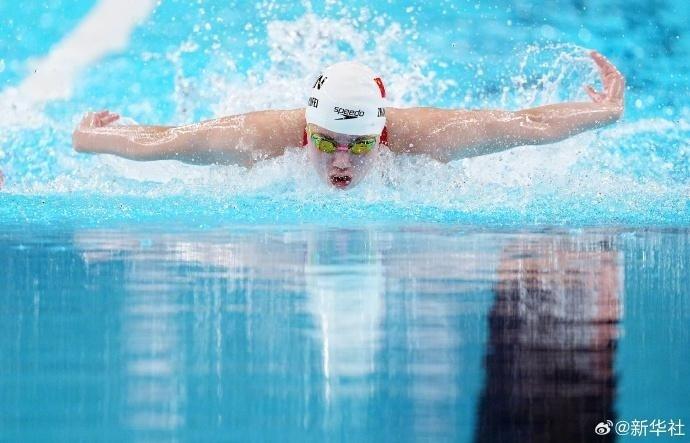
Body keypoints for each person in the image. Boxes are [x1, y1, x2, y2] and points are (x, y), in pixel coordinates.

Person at [73, 51, 624, 190]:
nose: (340, 162)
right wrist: (92, 139)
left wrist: (600, 111)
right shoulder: (260, 137)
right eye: (326, 142)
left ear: (381, 134)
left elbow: (523, 125)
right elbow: (163, 141)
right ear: (306, 129)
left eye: (359, 147)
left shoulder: (423, 136)